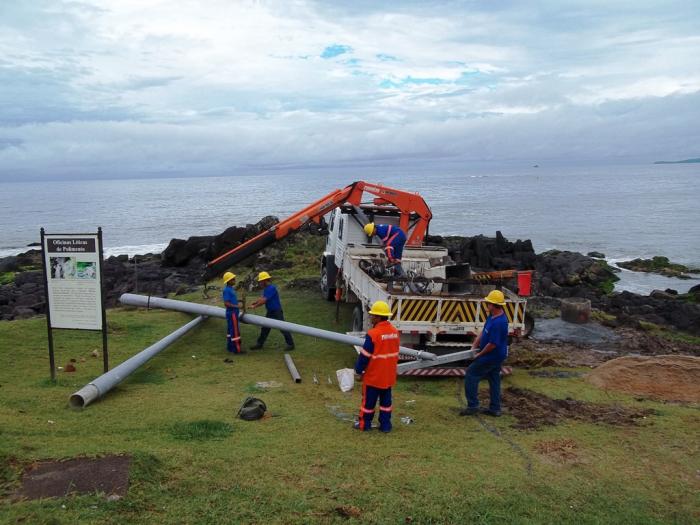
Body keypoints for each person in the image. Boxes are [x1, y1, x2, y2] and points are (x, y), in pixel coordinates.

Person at [460, 290, 509, 417]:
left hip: (492, 356)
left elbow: (492, 344)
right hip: (494, 356)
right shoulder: (492, 317)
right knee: (494, 379)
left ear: (493, 305)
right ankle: (495, 409)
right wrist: (474, 345)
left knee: (471, 374)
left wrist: (479, 355)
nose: (487, 304)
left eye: (488, 303)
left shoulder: (500, 322)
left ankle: (473, 406)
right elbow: (484, 332)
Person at [354, 300, 400, 432]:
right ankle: (385, 426)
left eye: (373, 315)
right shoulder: (394, 332)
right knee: (386, 404)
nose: (371, 317)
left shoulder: (373, 334)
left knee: (368, 403)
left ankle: (364, 425)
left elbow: (364, 356)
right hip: (388, 376)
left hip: (374, 377)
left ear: (379, 317)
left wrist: (358, 370)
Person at [249, 271, 295, 351]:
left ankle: (291, 344)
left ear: (265, 280)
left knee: (282, 327)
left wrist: (255, 306)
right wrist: (255, 302)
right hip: (270, 311)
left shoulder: (271, 288)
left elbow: (264, 300)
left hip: (276, 311)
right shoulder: (266, 289)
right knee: (265, 328)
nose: (259, 283)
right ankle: (259, 344)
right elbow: (262, 298)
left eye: (260, 281)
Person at [222, 272, 243, 354]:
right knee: (235, 331)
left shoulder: (230, 289)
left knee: (230, 331)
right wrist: (237, 306)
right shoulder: (227, 290)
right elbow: (226, 303)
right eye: (232, 279)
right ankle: (237, 349)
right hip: (232, 313)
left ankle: (230, 347)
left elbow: (231, 300)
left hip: (233, 313)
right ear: (228, 281)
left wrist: (238, 302)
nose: (234, 280)